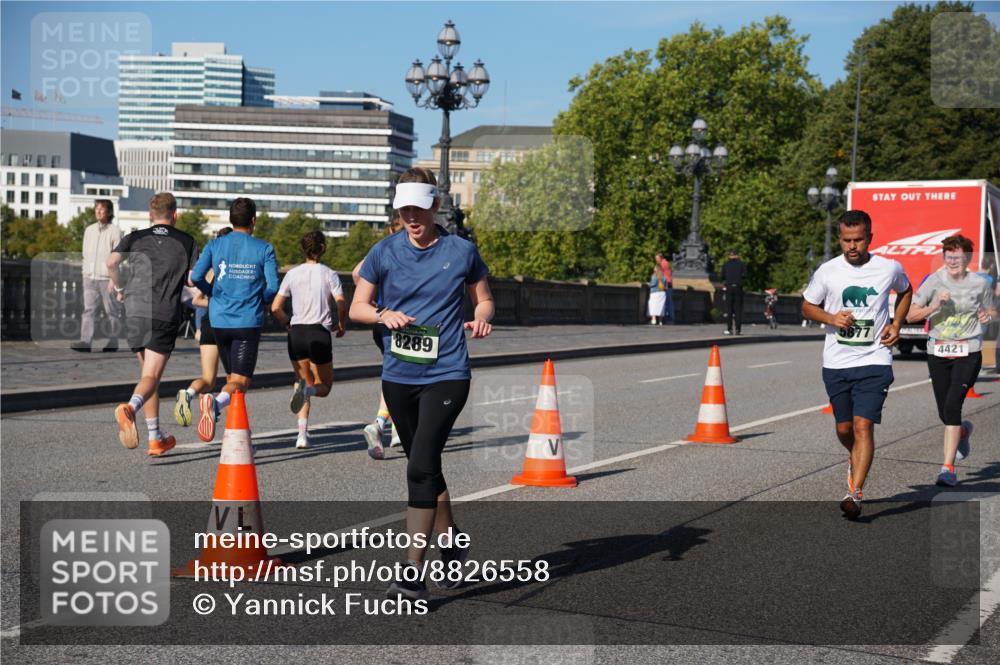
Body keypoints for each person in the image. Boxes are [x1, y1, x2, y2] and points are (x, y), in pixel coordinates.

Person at [350, 167, 494, 601]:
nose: (411, 217)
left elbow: (484, 298)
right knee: (426, 465)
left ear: (434, 206)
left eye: (418, 208)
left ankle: (413, 572)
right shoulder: (384, 251)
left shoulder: (461, 251)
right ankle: (452, 546)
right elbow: (358, 306)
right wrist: (381, 315)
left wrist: (482, 317)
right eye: (404, 210)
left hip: (447, 373)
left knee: (419, 468)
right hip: (398, 376)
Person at [802, 210, 912, 519]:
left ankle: (855, 493)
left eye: (859, 240)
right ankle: (855, 456)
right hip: (836, 361)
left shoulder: (888, 268)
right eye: (847, 240)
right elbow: (807, 306)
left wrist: (897, 323)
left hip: (875, 359)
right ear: (840, 239)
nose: (852, 246)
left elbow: (905, 290)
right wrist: (831, 317)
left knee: (863, 425)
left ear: (870, 238)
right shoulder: (828, 271)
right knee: (844, 427)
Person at [109, 193, 199, 456]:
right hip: (162, 312)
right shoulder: (186, 241)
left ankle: (155, 436)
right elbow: (193, 281)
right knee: (151, 377)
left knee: (149, 377)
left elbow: (111, 262)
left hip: (135, 310)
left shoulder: (135, 237)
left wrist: (120, 285)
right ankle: (130, 408)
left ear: (151, 214)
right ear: (175, 214)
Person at [906, 235, 996, 486]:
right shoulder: (933, 281)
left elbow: (992, 310)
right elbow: (912, 315)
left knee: (953, 406)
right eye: (949, 256)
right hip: (938, 351)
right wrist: (934, 305)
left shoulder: (980, 284)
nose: (953, 261)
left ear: (967, 258)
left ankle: (947, 468)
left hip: (969, 351)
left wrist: (986, 315)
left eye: (958, 257)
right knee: (944, 411)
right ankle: (963, 431)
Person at [190, 198, 279, 442]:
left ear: (231, 219)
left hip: (218, 320)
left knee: (232, 380)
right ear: (253, 221)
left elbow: (196, 276)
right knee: (240, 382)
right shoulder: (264, 248)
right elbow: (273, 286)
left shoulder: (215, 244)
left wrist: (211, 291)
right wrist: (259, 298)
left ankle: (239, 437)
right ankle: (215, 406)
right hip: (247, 322)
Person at [270, 231, 347, 449]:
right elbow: (341, 304)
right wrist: (341, 324)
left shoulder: (292, 274)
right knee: (324, 386)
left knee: (302, 380)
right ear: (323, 248)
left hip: (297, 333)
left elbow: (275, 307)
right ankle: (308, 391)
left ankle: (301, 435)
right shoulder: (329, 274)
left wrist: (287, 322)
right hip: (318, 332)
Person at [354, 216, 404, 459]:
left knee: (393, 371)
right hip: (402, 321)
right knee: (404, 374)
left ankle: (394, 429)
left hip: (381, 319)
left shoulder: (380, 251)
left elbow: (355, 274)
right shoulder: (405, 251)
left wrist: (373, 302)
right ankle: (383, 424)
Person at [174, 227, 232, 429]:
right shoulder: (236, 268)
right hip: (228, 325)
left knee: (207, 379)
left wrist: (215, 302)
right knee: (235, 381)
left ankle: (188, 393)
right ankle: (223, 415)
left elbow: (197, 300)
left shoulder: (211, 270)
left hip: (209, 323)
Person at [73, 199, 124, 352]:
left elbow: (118, 257)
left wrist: (112, 279)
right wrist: (85, 272)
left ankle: (113, 341)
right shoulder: (89, 230)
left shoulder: (115, 231)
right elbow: (85, 254)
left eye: (102, 210)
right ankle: (85, 342)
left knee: (112, 311)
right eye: (96, 209)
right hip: (89, 277)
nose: (98, 212)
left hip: (107, 278)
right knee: (88, 310)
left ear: (109, 212)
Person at [721, 249, 747, 335]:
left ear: (729, 256)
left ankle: (729, 329)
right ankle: (738, 329)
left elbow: (722, 276)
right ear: (737, 255)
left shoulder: (726, 264)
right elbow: (744, 275)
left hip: (729, 287)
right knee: (738, 310)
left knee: (729, 309)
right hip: (738, 287)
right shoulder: (741, 264)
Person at [655, 252, 675, 323]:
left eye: (657, 259)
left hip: (667, 284)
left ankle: (669, 318)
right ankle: (669, 318)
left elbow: (658, 273)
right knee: (668, 302)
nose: (656, 260)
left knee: (668, 302)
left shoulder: (663, 264)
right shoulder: (665, 263)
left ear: (661, 258)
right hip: (668, 284)